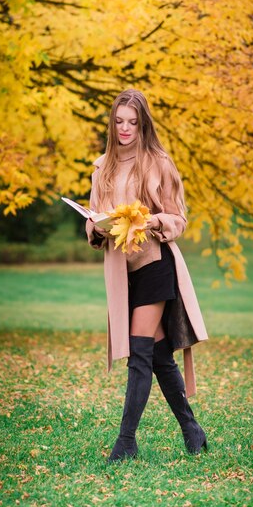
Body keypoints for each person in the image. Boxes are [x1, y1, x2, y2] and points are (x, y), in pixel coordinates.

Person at [86, 88, 208, 462]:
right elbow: (93, 220)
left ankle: (126, 442)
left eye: (133, 122)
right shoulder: (101, 167)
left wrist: (153, 220)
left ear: (143, 124)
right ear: (112, 123)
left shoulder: (158, 163)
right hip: (125, 274)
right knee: (157, 355)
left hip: (156, 264)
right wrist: (96, 226)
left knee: (139, 354)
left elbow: (178, 219)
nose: (125, 129)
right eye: (119, 121)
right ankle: (192, 429)